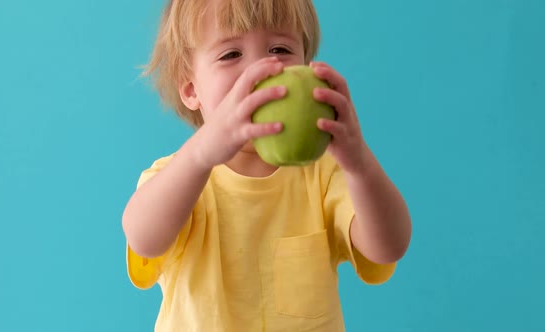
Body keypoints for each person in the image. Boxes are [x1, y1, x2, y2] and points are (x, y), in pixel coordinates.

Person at [122, 0, 412, 330]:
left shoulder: (323, 174)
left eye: (279, 49)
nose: (260, 69)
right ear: (191, 89)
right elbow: (143, 238)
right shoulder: (180, 177)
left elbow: (388, 247)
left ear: (307, 68)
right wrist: (200, 153)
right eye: (231, 54)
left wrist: (360, 164)